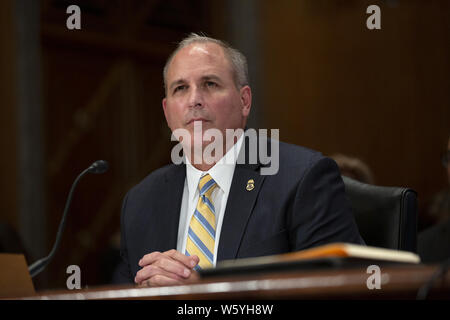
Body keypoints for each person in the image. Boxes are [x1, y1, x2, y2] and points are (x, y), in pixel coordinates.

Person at [115, 33, 364, 287]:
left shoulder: (303, 179)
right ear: (167, 113)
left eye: (210, 84)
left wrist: (205, 298)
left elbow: (343, 288)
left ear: (244, 101)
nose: (194, 100)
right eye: (181, 88)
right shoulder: (140, 202)